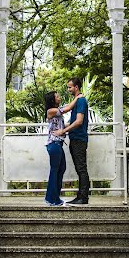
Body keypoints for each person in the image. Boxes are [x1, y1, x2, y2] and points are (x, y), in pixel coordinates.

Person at [54, 77, 89, 205]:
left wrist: (63, 131)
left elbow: (79, 122)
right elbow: (73, 117)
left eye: (70, 87)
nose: (68, 89)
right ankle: (80, 196)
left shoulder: (81, 101)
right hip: (75, 138)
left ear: (76, 87)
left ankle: (83, 198)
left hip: (79, 139)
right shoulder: (78, 100)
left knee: (81, 169)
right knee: (80, 168)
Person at [44, 90, 82, 206]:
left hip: (58, 144)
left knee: (61, 169)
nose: (59, 97)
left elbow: (62, 125)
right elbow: (67, 108)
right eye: (57, 97)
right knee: (55, 170)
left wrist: (72, 125)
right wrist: (78, 97)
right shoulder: (51, 111)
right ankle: (52, 199)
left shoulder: (56, 113)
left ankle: (54, 197)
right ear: (52, 100)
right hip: (54, 144)